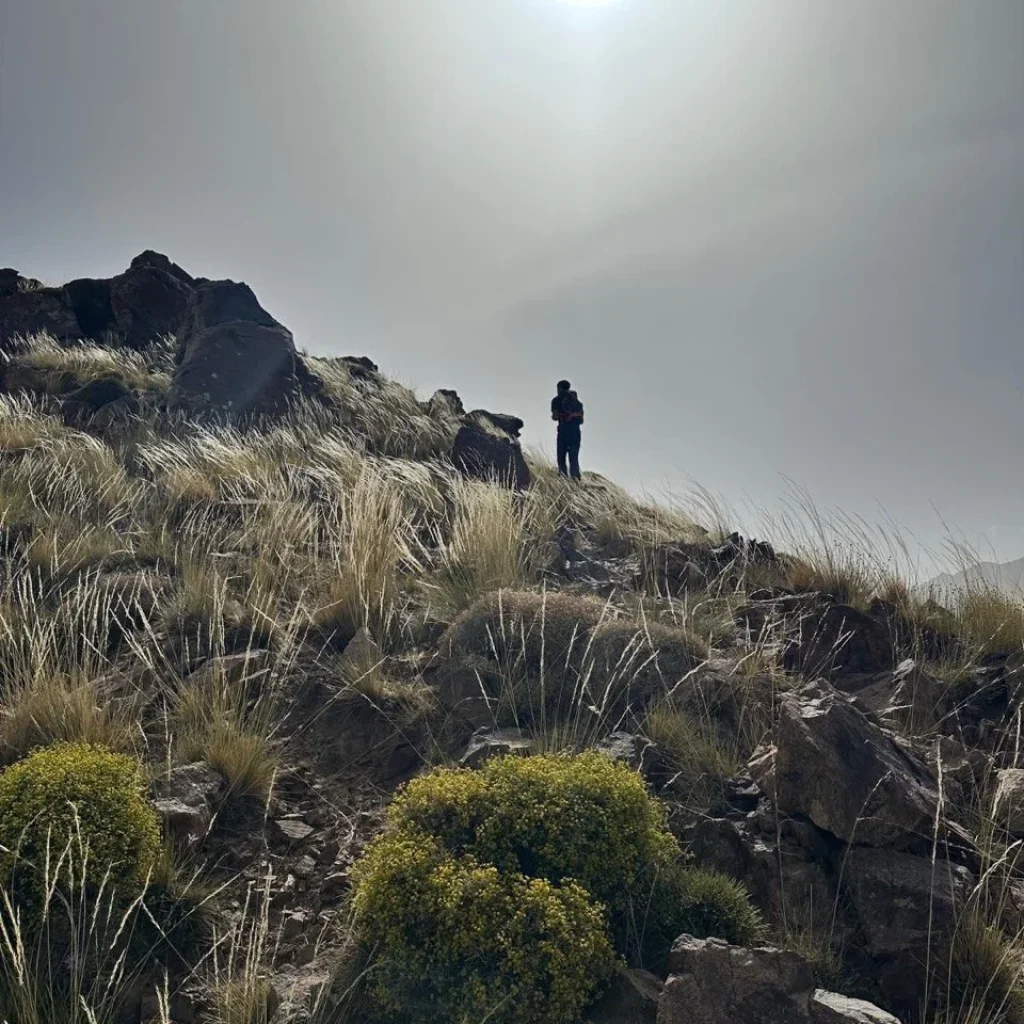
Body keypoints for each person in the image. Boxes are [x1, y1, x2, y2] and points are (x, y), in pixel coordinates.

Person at [551, 379, 584, 480]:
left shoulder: (556, 400)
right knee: (573, 459)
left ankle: (563, 479)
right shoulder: (577, 402)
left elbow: (555, 417)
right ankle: (575, 481)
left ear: (559, 388)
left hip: (563, 432)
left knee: (561, 458)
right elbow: (581, 420)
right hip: (575, 432)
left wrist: (560, 416)